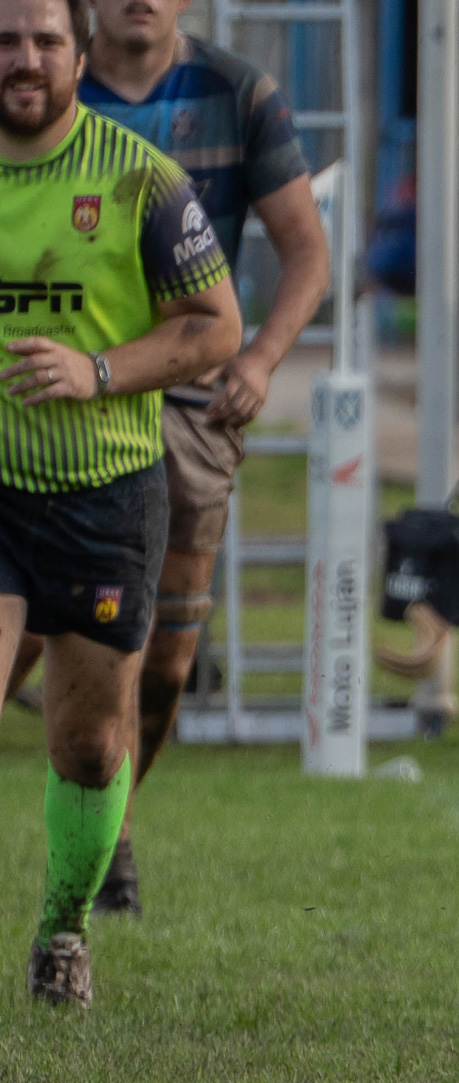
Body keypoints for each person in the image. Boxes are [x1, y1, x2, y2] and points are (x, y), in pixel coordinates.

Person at [2, 0, 330, 918]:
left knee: (157, 662)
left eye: (39, 43)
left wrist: (259, 359)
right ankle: (97, 836)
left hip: (173, 410)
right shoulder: (41, 86)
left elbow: (305, 252)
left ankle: (109, 829)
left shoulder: (232, 95)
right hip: (27, 423)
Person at [0, 0, 240, 1004]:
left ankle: (62, 929)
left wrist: (97, 368)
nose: (24, 59)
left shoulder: (142, 177)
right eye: (6, 40)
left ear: (80, 50)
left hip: (105, 494)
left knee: (92, 748)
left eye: (45, 40)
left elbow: (217, 328)